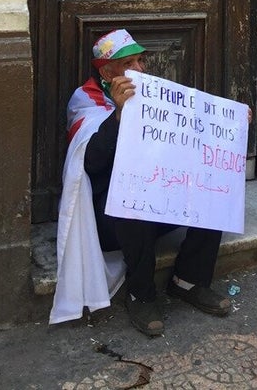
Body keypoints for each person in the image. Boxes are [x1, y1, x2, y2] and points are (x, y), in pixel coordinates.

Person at [49, 29, 235, 336]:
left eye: (140, 62)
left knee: (211, 182)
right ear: (107, 72)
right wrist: (119, 115)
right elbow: (91, 162)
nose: (139, 70)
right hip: (110, 220)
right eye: (130, 64)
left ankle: (188, 280)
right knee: (129, 194)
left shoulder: (154, 96)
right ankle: (141, 293)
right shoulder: (86, 101)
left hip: (156, 203)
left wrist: (230, 124)